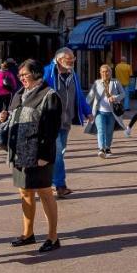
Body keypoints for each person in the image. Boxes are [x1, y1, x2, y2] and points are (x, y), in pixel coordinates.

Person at [0, 58, 63, 253]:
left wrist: (44, 155)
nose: (21, 79)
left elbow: (52, 129)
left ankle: (53, 237)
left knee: (45, 193)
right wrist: (4, 116)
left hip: (40, 153)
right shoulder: (19, 94)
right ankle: (28, 233)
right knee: (25, 192)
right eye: (20, 76)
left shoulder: (49, 95)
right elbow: (12, 116)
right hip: (19, 152)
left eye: (24, 75)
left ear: (36, 74)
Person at [42, 47, 90, 199]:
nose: (72, 62)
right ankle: (60, 185)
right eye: (70, 59)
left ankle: (46, 181)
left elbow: (78, 94)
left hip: (66, 120)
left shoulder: (72, 74)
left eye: (73, 59)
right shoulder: (48, 72)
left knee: (59, 152)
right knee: (57, 154)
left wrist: (86, 111)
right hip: (51, 121)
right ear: (59, 59)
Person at [86, 64, 125, 158]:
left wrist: (115, 97)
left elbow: (123, 94)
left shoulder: (115, 82)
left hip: (112, 113)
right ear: (100, 73)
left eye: (107, 71)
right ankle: (101, 149)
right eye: (103, 71)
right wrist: (84, 109)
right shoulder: (97, 83)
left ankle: (107, 147)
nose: (105, 73)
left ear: (110, 72)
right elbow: (89, 97)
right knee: (101, 130)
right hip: (99, 112)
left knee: (109, 132)